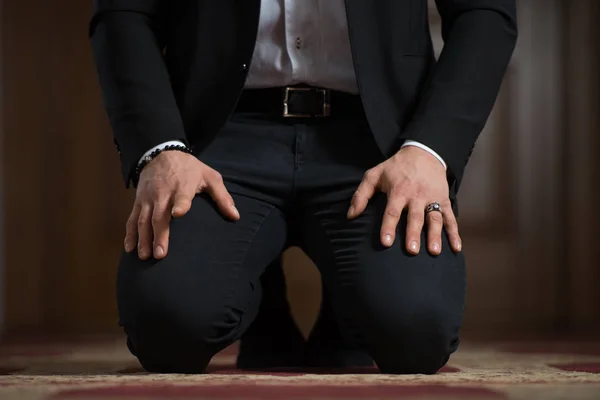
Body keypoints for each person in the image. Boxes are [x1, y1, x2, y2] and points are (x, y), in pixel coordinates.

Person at [90, 0, 517, 374]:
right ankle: (261, 304)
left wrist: (430, 148)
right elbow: (123, 12)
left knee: (415, 332)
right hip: (219, 135)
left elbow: (484, 11)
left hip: (379, 139)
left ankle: (349, 307)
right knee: (166, 330)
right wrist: (159, 148)